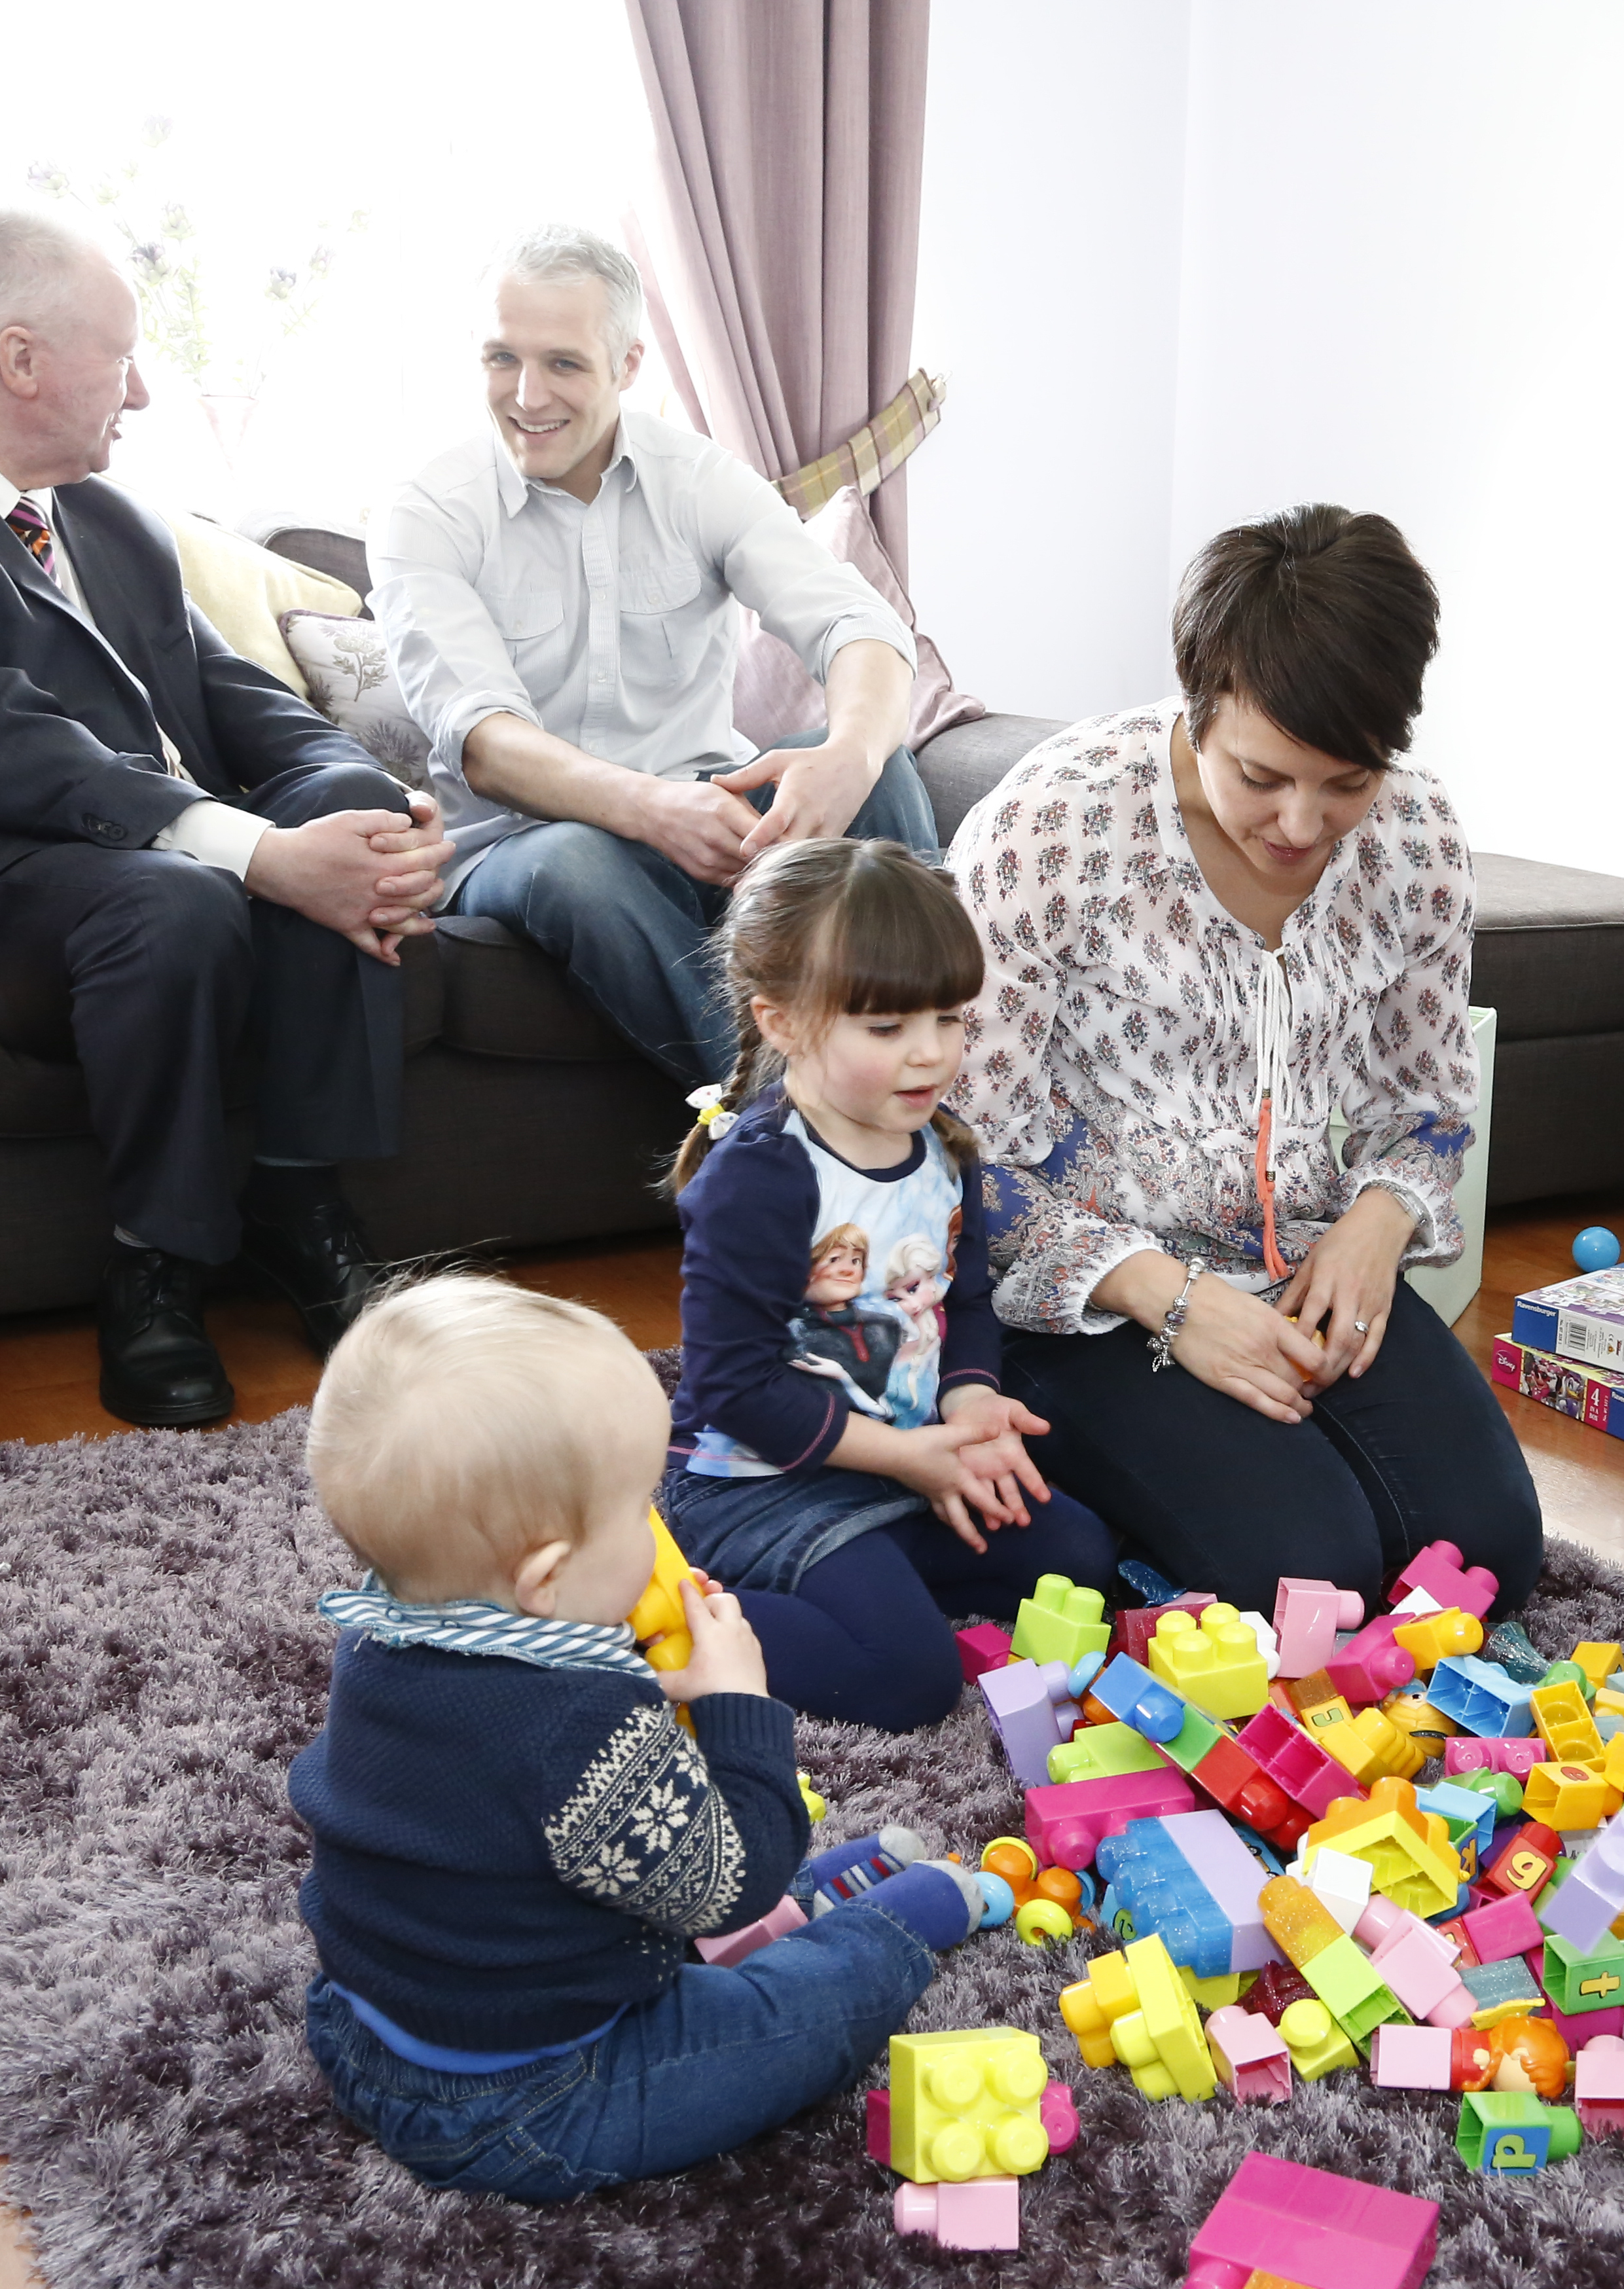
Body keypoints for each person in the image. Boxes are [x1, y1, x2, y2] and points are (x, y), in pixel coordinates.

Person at [0, 209, 451, 1430]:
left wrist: (377, 810)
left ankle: (297, 1208)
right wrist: (263, 854)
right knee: (175, 900)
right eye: (123, 360)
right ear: (20, 360)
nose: (140, 395)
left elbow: (236, 698)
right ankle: (157, 1266)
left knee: (340, 803)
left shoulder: (113, 519)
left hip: (134, 843)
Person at [948, 506, 1541, 1615]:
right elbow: (955, 1151)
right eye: (1263, 776)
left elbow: (1432, 1100)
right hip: (1086, 1298)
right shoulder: (1053, 831)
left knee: (1488, 1552)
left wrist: (1378, 1226)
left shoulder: (1415, 841)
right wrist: (1169, 1298)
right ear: (1199, 702)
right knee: (1309, 1574)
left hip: (1302, 1271)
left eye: (1348, 781)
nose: (1303, 823)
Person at [287, 1274, 977, 2197]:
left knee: (648, 1863)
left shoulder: (384, 1632)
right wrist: (741, 1705)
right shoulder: (578, 1727)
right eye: (639, 1512)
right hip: (529, 2096)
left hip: (368, 2020)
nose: (661, 1535)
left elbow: (511, 1794)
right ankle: (881, 1930)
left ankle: (818, 1913)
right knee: (811, 2012)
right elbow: (732, 1887)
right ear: (547, 1578)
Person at [370, 225, 937, 1090]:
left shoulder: (701, 480)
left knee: (886, 770)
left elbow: (857, 627)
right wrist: (654, 809)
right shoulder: (428, 512)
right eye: (501, 359)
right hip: (526, 847)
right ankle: (791, 1134)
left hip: (707, 815)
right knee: (577, 864)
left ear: (629, 365)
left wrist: (848, 756)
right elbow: (481, 739)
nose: (525, 395)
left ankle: (961, 1096)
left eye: (563, 363)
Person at [667, 837, 1116, 1730]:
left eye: (949, 1018)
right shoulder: (763, 1177)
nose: (930, 1055)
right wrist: (911, 1458)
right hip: (759, 1486)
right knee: (907, 1678)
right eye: (887, 1028)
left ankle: (868, 1575)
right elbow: (734, 1385)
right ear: (783, 1022)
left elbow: (966, 1304)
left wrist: (970, 1402)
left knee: (1080, 1557)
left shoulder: (943, 1147)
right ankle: (655, 1627)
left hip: (899, 1466)